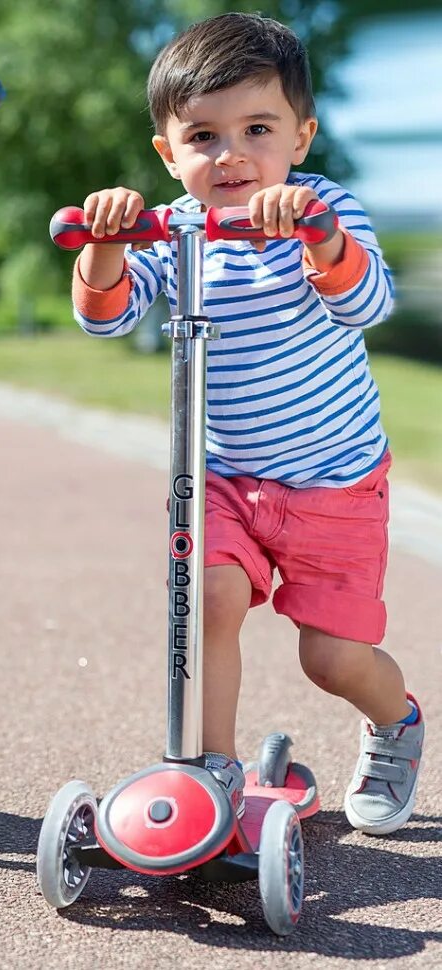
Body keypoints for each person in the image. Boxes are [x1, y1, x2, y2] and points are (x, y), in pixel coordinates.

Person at [71, 12, 423, 834]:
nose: (229, 155)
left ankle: (396, 724)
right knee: (209, 596)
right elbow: (107, 318)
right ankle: (212, 772)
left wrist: (321, 239)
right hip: (223, 479)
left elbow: (366, 301)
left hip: (333, 484)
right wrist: (105, 244)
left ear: (300, 136)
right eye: (202, 136)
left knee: (331, 658)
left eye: (256, 130)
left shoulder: (328, 209)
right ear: (168, 150)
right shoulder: (177, 226)